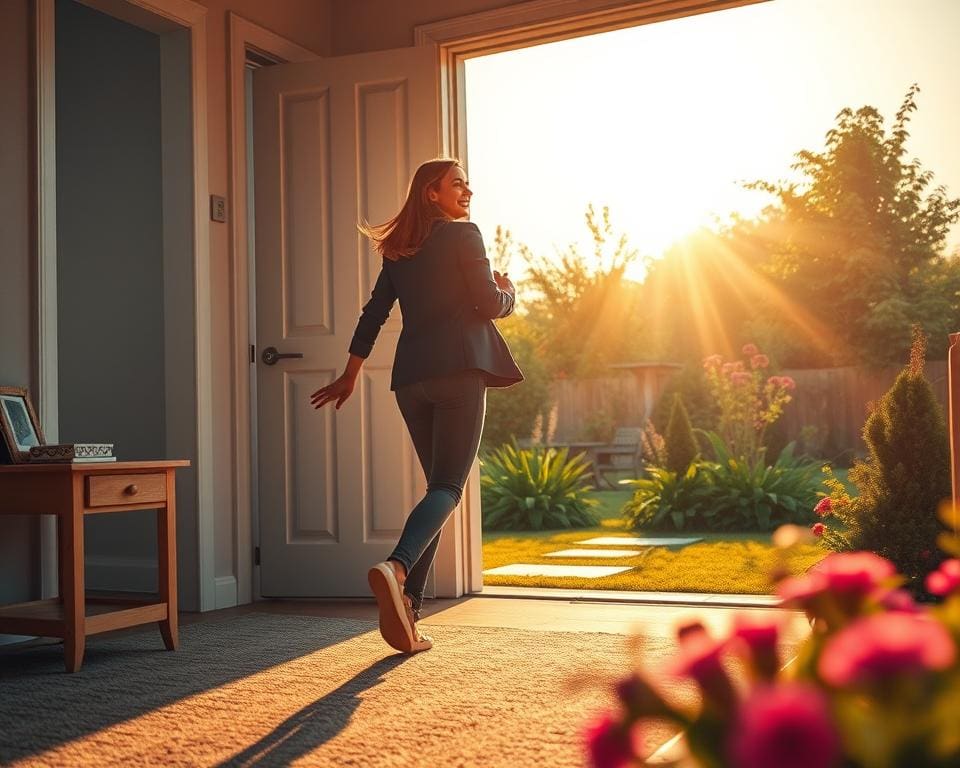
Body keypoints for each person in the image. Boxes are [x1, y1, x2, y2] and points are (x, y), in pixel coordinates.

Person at [309, 158, 522, 654]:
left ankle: (408, 610)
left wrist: (351, 373)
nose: (467, 191)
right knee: (448, 488)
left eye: (467, 184)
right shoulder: (464, 235)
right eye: (457, 184)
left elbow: (374, 313)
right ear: (432, 193)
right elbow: (490, 304)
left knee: (437, 494)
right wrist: (509, 292)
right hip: (459, 373)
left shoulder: (400, 250)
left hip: (411, 382)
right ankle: (398, 567)